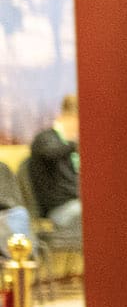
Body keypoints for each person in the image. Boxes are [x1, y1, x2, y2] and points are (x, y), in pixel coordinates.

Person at [25, 92, 80, 236]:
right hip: (58, 209)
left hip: (75, 204)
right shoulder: (45, 139)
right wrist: (73, 144)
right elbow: (50, 152)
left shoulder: (69, 146)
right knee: (91, 212)